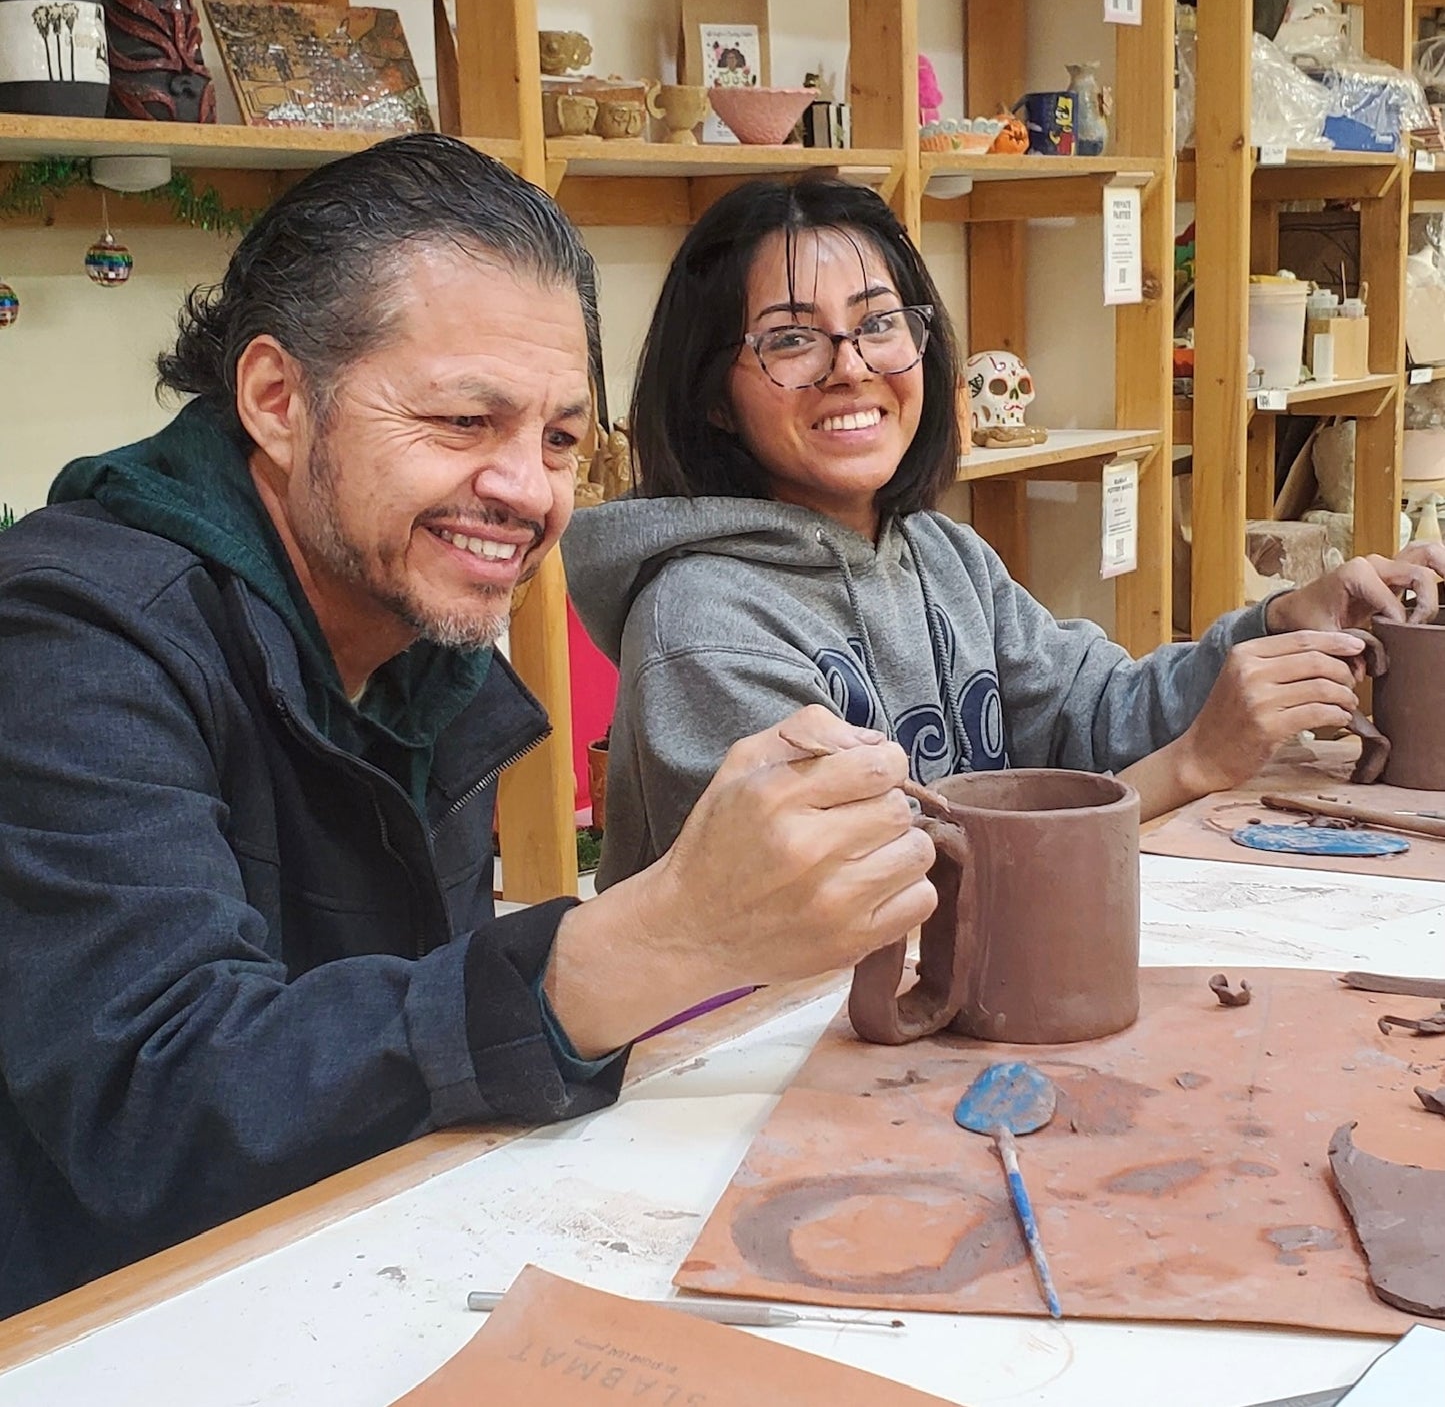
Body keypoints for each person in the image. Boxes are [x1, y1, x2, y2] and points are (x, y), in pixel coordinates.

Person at [0, 139, 941, 1319]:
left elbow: (409, 1075)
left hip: (336, 1275)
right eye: (460, 418)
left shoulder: (408, 623)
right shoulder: (71, 634)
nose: (527, 490)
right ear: (277, 400)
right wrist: (655, 937)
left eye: (556, 438)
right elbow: (160, 1102)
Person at [562, 174, 1445, 889]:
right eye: (791, 339)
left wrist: (1280, 624)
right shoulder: (703, 624)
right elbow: (870, 892)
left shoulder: (938, 555)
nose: (852, 366)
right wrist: (1188, 766)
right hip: (762, 1059)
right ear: (712, 393)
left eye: (877, 323)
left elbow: (1096, 714)